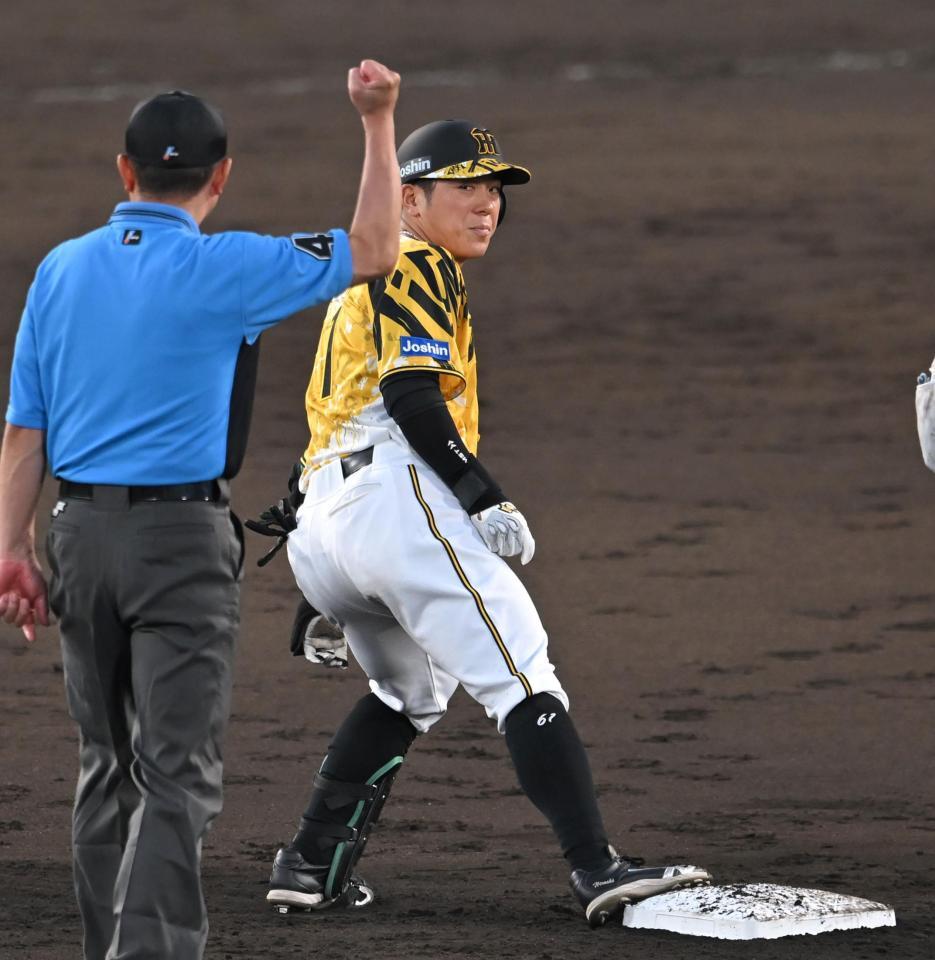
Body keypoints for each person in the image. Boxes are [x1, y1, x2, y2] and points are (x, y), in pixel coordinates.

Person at [259, 119, 712, 928]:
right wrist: (480, 496)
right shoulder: (415, 260)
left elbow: (335, 421)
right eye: (465, 186)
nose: (487, 204)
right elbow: (409, 397)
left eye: (493, 188)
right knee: (522, 674)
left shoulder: (359, 280)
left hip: (323, 521)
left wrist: (319, 585)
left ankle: (307, 865)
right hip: (392, 502)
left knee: (409, 688)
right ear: (409, 200)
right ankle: (595, 868)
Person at [0, 59, 401, 960]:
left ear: (123, 172)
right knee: (176, 774)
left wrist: (12, 551)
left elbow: (23, 436)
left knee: (107, 767)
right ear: (220, 178)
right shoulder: (233, 266)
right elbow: (375, 248)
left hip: (76, 538)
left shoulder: (58, 272)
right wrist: (377, 122)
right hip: (178, 543)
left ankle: (109, 945)